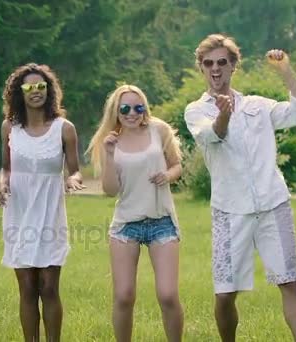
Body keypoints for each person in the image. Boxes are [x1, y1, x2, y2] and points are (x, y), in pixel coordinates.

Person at [184, 34, 296, 342]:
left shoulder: (258, 105)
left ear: (233, 67)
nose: (215, 69)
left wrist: (285, 71)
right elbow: (211, 136)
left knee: (289, 282)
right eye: (208, 64)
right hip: (230, 211)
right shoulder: (195, 110)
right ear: (202, 68)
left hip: (273, 205)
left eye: (222, 63)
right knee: (226, 293)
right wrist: (224, 116)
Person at [86, 84, 184, 342]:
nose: (132, 113)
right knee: (124, 295)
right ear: (116, 112)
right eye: (125, 108)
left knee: (168, 295)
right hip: (126, 225)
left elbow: (176, 165)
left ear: (145, 108)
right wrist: (108, 155)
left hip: (162, 221)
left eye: (138, 107)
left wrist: (167, 175)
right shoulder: (110, 141)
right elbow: (109, 190)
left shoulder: (158, 130)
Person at [0, 63, 85, 342]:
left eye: (41, 86)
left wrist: (72, 180)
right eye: (29, 87)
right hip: (19, 211)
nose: (36, 92)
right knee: (27, 287)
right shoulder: (10, 128)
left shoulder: (64, 128)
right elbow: (6, 167)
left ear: (49, 91)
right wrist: (2, 184)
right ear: (19, 93)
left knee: (48, 286)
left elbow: (74, 169)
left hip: (49, 212)